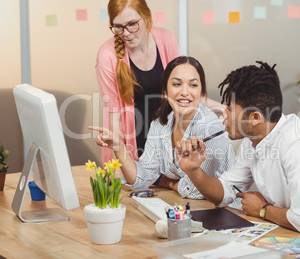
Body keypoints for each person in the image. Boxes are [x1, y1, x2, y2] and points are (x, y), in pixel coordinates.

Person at [175, 61, 300, 240]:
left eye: (230, 109)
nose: (224, 114)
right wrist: (193, 170)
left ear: (255, 117)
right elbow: (224, 193)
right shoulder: (253, 140)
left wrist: (262, 210)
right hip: (290, 238)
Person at [96, 0, 224, 163]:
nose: (125, 33)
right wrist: (119, 164)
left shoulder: (166, 39)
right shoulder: (107, 56)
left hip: (169, 144)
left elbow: (183, 94)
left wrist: (224, 109)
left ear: (146, 17)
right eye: (118, 26)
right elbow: (114, 114)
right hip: (135, 149)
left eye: (132, 24)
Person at [90, 56, 234, 199]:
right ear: (165, 91)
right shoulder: (160, 124)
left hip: (227, 213)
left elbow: (196, 191)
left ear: (201, 93)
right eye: (177, 84)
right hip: (189, 208)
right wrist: (118, 147)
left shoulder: (210, 127)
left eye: (193, 85)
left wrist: (169, 183)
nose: (185, 92)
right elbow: (142, 178)